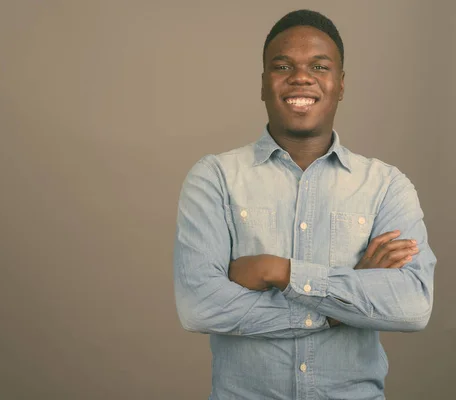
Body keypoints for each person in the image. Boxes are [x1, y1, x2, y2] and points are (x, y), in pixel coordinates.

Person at [172, 9, 436, 400]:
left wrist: (279, 271)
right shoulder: (215, 178)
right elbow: (200, 306)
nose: (300, 76)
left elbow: (412, 305)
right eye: (282, 65)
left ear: (340, 84)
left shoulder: (386, 186)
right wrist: (340, 302)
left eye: (319, 65)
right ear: (263, 84)